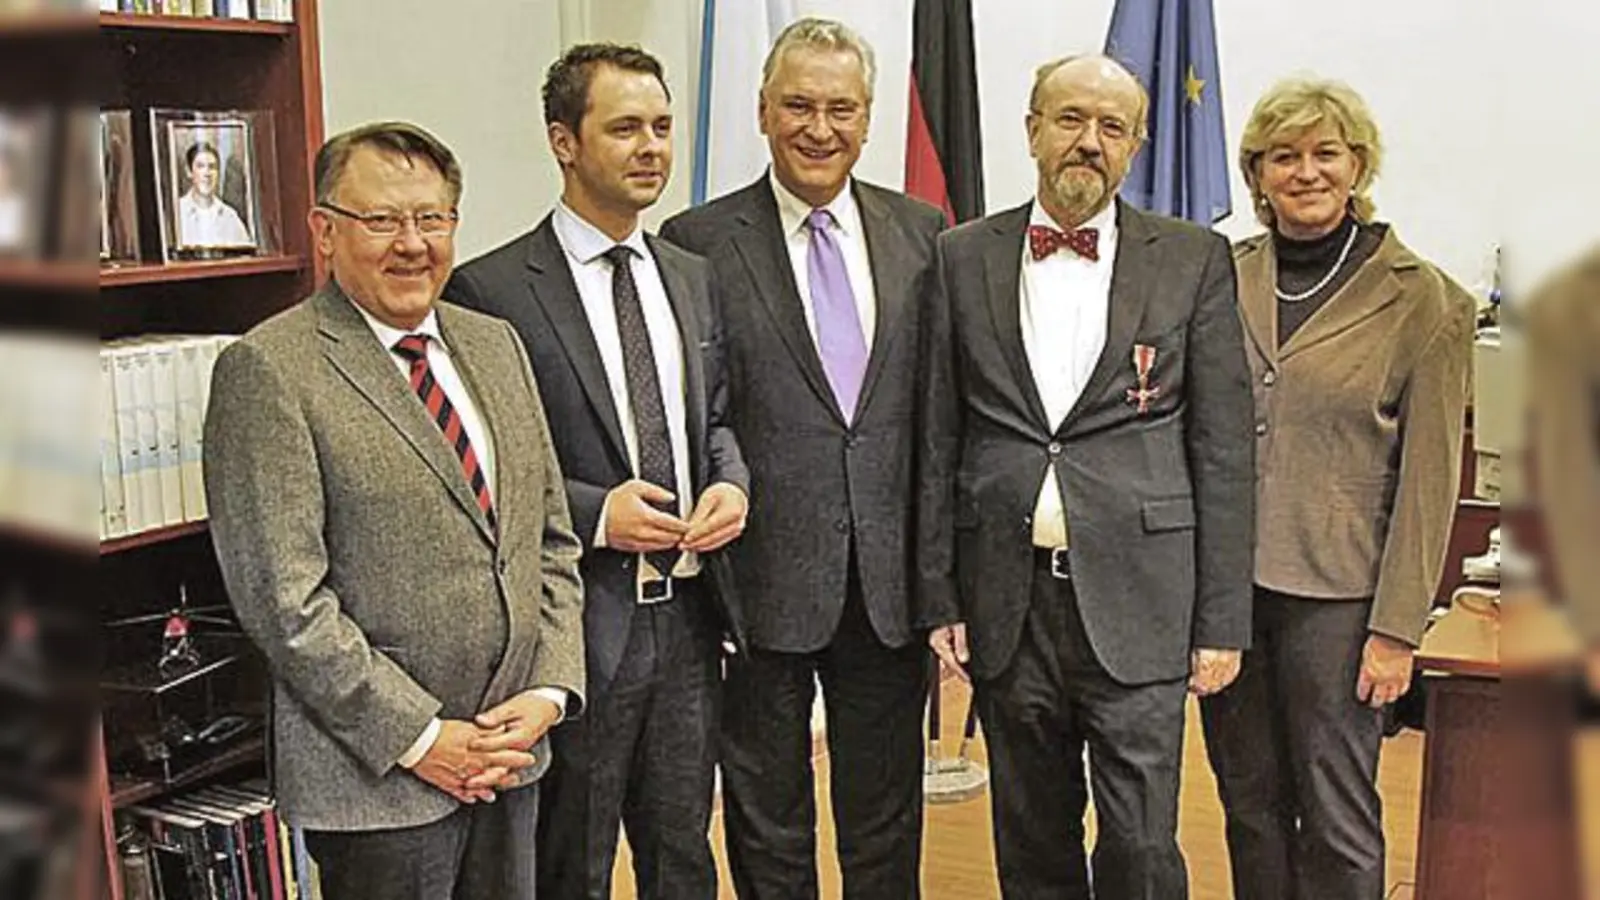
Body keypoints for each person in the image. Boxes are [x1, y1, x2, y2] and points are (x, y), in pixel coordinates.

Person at [203, 122, 586, 900]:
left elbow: (550, 541)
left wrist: (546, 693)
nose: (412, 243)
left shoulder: (497, 346)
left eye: (432, 218)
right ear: (324, 232)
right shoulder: (269, 371)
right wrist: (421, 738)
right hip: (377, 785)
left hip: (510, 759)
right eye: (381, 220)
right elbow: (286, 606)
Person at [920, 54, 1255, 899]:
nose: (1088, 143)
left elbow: (1221, 448)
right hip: (1009, 598)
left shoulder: (1192, 259)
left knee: (1142, 844)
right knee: (1031, 837)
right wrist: (941, 595)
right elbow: (936, 434)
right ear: (1032, 129)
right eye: (1070, 119)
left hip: (1143, 598)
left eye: (1112, 127)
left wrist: (1221, 619)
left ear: (1136, 146)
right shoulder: (960, 256)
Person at [447, 44, 749, 900]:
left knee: (683, 855)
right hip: (575, 628)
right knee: (568, 864)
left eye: (661, 127)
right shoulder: (492, 290)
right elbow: (479, 472)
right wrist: (595, 515)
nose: (652, 146)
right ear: (563, 141)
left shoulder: (691, 277)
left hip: (690, 621)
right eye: (624, 128)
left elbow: (714, 421)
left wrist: (732, 484)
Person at [660, 17, 943, 899]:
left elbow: (937, 414)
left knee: (885, 813)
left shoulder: (925, 232)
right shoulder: (697, 241)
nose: (820, 128)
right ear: (762, 111)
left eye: (841, 109)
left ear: (867, 119)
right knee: (765, 812)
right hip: (759, 578)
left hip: (888, 584)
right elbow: (695, 408)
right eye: (799, 106)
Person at [1198, 77, 1474, 900]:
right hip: (1226, 597)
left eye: (1326, 153)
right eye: (1284, 156)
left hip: (1342, 602)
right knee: (1248, 805)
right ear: (1258, 174)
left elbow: (1431, 486)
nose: (1306, 171)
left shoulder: (1424, 299)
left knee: (1337, 810)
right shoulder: (1219, 276)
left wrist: (1397, 631)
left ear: (1358, 166)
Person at [177, 140, 253, 248]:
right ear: (189, 172)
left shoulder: (230, 217)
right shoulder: (177, 213)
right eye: (200, 166)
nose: (207, 173)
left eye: (212, 167)